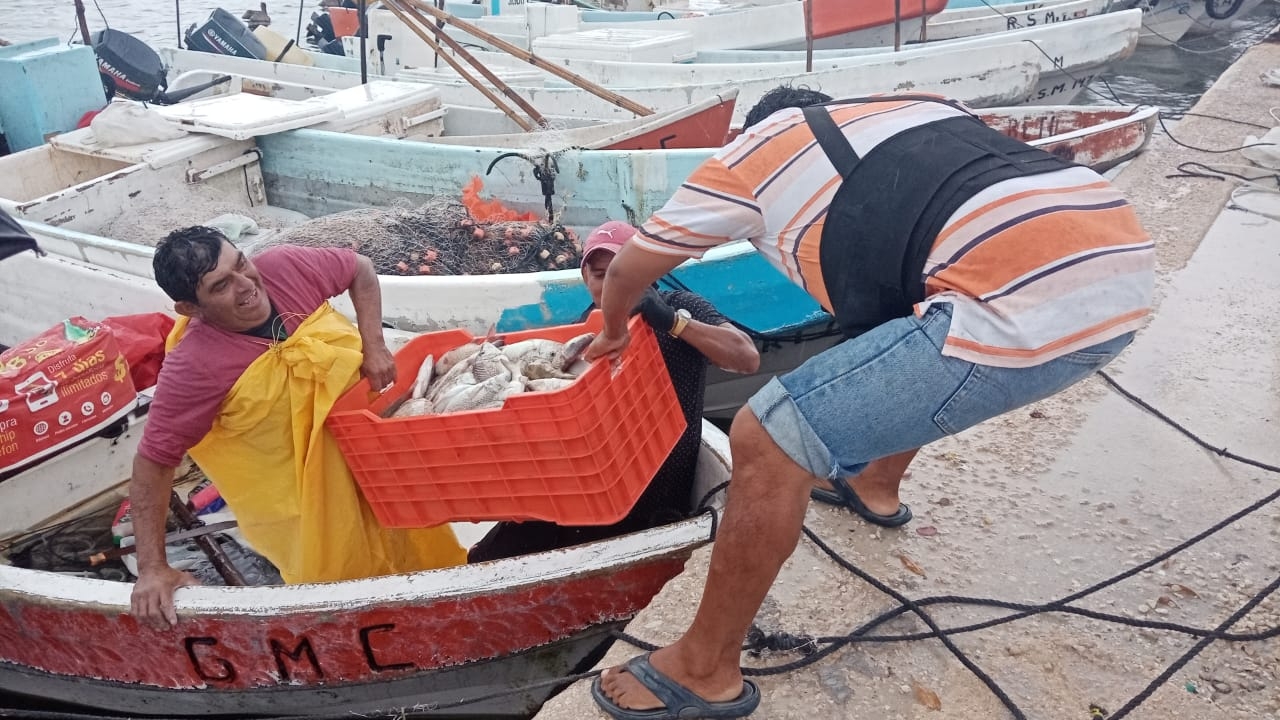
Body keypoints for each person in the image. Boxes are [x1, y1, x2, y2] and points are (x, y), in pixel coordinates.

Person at [584, 88, 1154, 718]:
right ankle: (876, 486)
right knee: (905, 322)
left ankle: (702, 669)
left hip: (1022, 306)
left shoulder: (748, 154)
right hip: (1122, 266)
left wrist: (613, 330)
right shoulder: (915, 105)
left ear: (756, 129)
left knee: (767, 436)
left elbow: (630, 270)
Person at [130, 227, 465, 631]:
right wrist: (152, 568)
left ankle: (450, 615)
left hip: (373, 456)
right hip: (306, 501)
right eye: (221, 286)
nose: (246, 286)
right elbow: (154, 460)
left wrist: (373, 343)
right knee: (344, 585)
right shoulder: (194, 367)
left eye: (241, 264)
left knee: (422, 545)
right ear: (190, 309)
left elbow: (359, 269)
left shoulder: (283, 268)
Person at [467, 221, 760, 562]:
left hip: (656, 496)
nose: (613, 285)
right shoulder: (584, 329)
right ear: (586, 277)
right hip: (587, 491)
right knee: (484, 558)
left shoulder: (679, 305)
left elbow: (747, 358)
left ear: (646, 270)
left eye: (622, 272)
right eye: (601, 274)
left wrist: (670, 320)